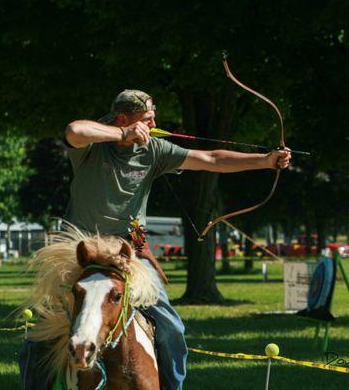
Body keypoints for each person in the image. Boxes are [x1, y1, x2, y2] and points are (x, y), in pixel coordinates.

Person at [19, 89, 291, 390]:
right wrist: (121, 133)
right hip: (79, 252)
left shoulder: (155, 150)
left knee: (171, 328)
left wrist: (265, 161)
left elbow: (211, 158)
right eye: (147, 119)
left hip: (127, 254)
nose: (153, 124)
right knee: (41, 336)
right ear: (124, 118)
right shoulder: (93, 147)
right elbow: (74, 130)